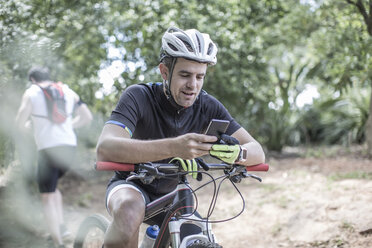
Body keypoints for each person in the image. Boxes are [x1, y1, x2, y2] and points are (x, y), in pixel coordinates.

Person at [96, 26, 265, 248]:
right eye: (185, 75)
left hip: (175, 194)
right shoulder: (138, 96)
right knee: (129, 210)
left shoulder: (208, 105)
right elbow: (105, 147)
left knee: (197, 234)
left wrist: (238, 153)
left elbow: (257, 151)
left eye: (199, 77)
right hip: (131, 185)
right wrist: (175, 147)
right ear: (165, 72)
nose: (192, 85)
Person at [15, 66, 93, 248]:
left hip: (48, 149)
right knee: (52, 188)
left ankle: (58, 242)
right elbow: (87, 117)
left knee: (46, 195)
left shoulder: (31, 92)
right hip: (69, 148)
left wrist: (30, 128)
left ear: (33, 79)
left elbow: (19, 122)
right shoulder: (66, 90)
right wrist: (69, 127)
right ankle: (62, 228)